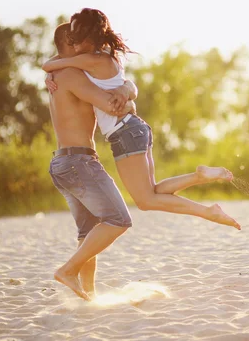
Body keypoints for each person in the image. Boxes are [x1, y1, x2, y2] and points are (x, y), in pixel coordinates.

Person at [43, 8, 241, 231]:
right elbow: (127, 85)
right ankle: (199, 176)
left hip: (124, 132)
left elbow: (50, 64)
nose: (76, 43)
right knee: (153, 192)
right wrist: (128, 93)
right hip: (134, 129)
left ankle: (208, 212)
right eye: (73, 39)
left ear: (89, 39)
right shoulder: (106, 56)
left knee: (146, 201)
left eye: (78, 38)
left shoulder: (89, 60)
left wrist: (51, 73)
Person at [47, 22, 139, 301]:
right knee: (119, 219)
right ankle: (68, 270)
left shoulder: (60, 74)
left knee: (88, 233)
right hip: (78, 162)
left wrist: (128, 87)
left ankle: (88, 295)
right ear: (73, 45)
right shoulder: (73, 76)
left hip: (63, 163)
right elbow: (110, 103)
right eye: (84, 40)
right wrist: (128, 94)